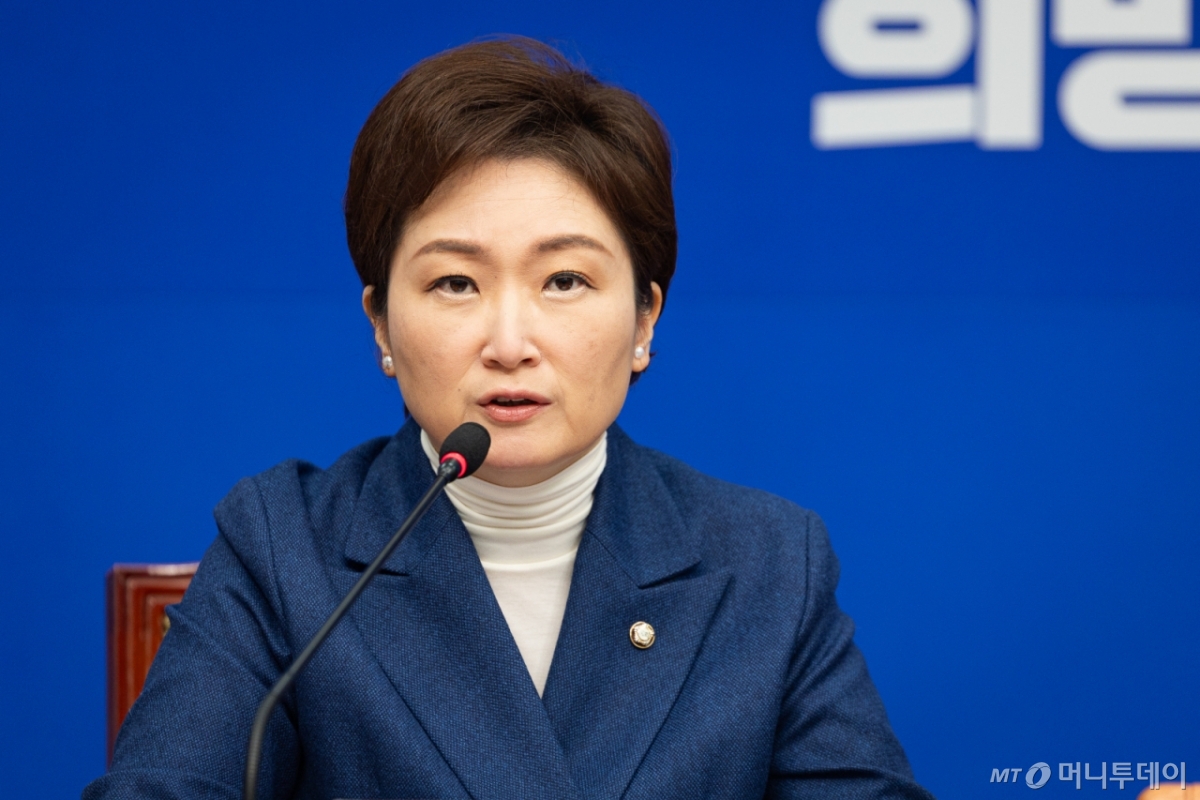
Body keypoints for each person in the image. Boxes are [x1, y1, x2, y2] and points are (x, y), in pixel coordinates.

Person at [84, 37, 934, 800]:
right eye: (456, 283)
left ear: (644, 320)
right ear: (381, 325)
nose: (509, 343)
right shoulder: (285, 549)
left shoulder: (767, 564)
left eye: (564, 280)